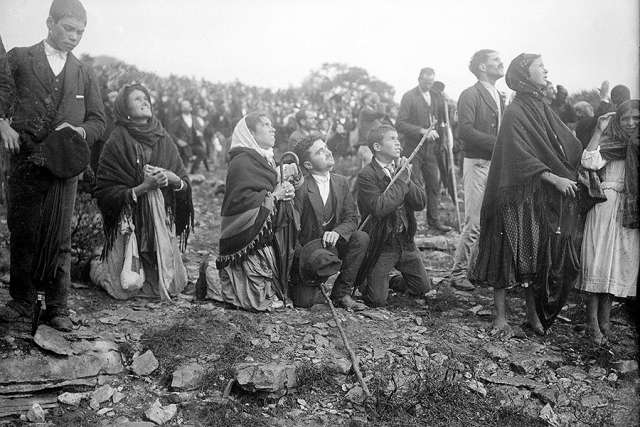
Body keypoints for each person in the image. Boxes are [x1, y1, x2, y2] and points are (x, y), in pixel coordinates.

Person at [0, 0, 106, 331]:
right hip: (25, 160)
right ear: (50, 23)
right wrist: (2, 121)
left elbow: (99, 120)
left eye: (80, 32)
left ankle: (58, 305)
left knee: (60, 237)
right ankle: (22, 302)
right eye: (68, 28)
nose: (74, 36)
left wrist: (81, 130)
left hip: (65, 164)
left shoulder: (84, 72)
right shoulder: (18, 57)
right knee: (24, 231)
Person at [469, 54, 584, 337]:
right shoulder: (515, 110)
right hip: (512, 194)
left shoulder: (539, 105)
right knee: (506, 249)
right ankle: (500, 317)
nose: (546, 70)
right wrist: (553, 176)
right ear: (524, 73)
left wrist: (575, 167)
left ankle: (532, 315)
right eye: (540, 67)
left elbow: (558, 142)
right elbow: (518, 154)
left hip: (534, 195)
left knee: (533, 252)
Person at [92, 84, 193, 300]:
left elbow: (183, 181)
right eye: (138, 99)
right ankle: (95, 266)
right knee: (120, 289)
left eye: (146, 98)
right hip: (129, 222)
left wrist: (171, 178)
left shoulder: (163, 137)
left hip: (160, 222)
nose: (145, 101)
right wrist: (143, 187)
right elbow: (105, 192)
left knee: (172, 287)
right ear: (124, 107)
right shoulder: (116, 140)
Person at [215, 112, 296, 311]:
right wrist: (275, 195)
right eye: (266, 125)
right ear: (251, 132)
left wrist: (285, 183)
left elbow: (265, 186)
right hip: (246, 235)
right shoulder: (242, 161)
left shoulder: (264, 158)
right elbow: (243, 201)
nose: (273, 128)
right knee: (253, 298)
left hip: (262, 237)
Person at [578, 100, 639, 345]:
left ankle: (605, 320)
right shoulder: (611, 142)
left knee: (616, 263)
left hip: (630, 209)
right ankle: (591, 322)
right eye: (626, 118)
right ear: (618, 120)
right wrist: (599, 130)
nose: (631, 123)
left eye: (636, 118)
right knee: (599, 261)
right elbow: (588, 161)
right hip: (607, 203)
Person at [447, 50, 505, 292]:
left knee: (492, 220)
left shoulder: (499, 96)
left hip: (495, 164)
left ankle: (477, 271)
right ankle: (458, 272)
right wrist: (500, 144)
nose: (501, 64)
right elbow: (465, 131)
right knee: (474, 220)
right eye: (496, 61)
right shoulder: (470, 94)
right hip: (477, 163)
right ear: (482, 67)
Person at [355, 124, 431, 307]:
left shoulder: (402, 169)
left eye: (398, 138)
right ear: (377, 147)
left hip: (405, 241)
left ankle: (392, 280)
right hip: (383, 244)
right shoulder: (367, 175)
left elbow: (420, 203)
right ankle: (371, 280)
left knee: (422, 287)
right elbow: (380, 208)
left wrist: (405, 177)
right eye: (392, 139)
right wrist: (403, 178)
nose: (398, 143)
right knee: (376, 299)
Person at [293, 135, 369, 310]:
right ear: (308, 165)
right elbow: (292, 233)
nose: (327, 152)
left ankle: (342, 293)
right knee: (304, 302)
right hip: (311, 255)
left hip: (334, 246)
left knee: (361, 238)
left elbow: (352, 218)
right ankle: (311, 285)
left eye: (326, 147)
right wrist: (306, 263)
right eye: (320, 151)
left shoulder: (341, 182)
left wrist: (337, 232)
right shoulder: (301, 188)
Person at [396, 67, 451, 233]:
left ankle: (433, 222)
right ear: (419, 79)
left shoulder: (436, 96)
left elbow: (444, 116)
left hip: (431, 150)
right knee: (413, 185)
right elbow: (400, 123)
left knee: (434, 185)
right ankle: (409, 224)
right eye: (426, 82)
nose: (429, 85)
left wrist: (447, 103)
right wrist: (422, 131)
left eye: (431, 82)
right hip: (413, 148)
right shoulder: (409, 96)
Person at [171, 99, 208, 173]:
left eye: (186, 105)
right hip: (183, 146)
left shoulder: (195, 119)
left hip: (194, 144)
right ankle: (184, 173)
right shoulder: (177, 120)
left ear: (190, 107)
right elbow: (171, 133)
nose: (185, 107)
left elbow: (200, 130)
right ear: (181, 108)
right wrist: (178, 141)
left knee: (202, 152)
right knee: (184, 164)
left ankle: (193, 170)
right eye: (183, 105)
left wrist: (199, 133)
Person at [356, 93, 386, 168]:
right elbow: (381, 113)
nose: (371, 99)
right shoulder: (365, 111)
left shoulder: (370, 111)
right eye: (368, 98)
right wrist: (378, 101)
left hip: (367, 147)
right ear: (364, 101)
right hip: (367, 147)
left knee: (366, 174)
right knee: (369, 174)